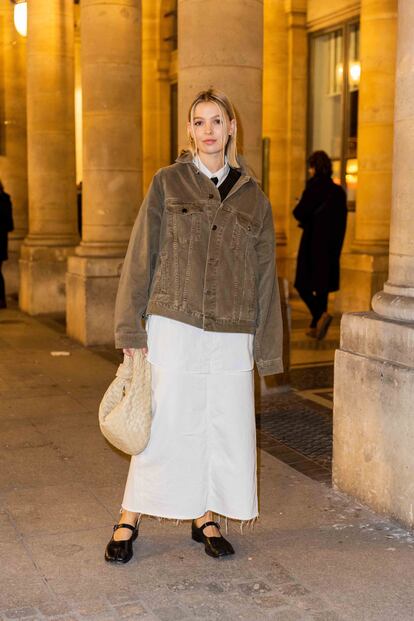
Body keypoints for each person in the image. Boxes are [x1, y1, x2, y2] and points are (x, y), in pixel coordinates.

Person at [105, 88, 283, 564]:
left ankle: (206, 515)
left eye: (217, 121)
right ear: (190, 131)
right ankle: (130, 514)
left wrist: (267, 349)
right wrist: (130, 331)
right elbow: (141, 255)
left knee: (221, 426)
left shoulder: (254, 197)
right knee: (164, 422)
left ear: (230, 128)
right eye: (199, 121)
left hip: (232, 330)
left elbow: (266, 278)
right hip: (174, 322)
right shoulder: (167, 183)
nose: (208, 130)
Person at [293, 151, 347, 340]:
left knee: (301, 284)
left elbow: (299, 213)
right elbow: (342, 223)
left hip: (312, 244)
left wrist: (301, 202)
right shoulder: (339, 192)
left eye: (310, 166)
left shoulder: (314, 187)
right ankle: (317, 326)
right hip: (331, 246)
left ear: (314, 167)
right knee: (322, 287)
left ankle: (319, 315)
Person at [0, 181, 14, 309]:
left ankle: (1, 300)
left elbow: (9, 224)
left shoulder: (4, 199)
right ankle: (1, 300)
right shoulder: (5, 199)